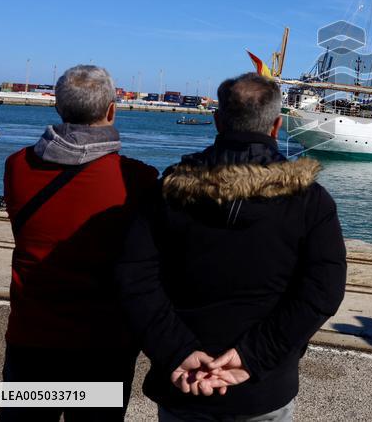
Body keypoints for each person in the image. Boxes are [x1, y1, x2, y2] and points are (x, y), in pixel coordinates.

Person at [116, 72, 346, 421]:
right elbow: (322, 292)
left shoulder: (166, 192)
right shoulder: (310, 201)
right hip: (263, 386)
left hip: (184, 381)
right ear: (276, 126)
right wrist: (251, 357)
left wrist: (178, 350)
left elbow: (134, 279)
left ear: (217, 121)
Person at [0, 65, 158, 421]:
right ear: (112, 110)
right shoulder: (138, 179)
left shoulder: (16, 166)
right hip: (105, 342)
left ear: (58, 107)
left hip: (32, 333)